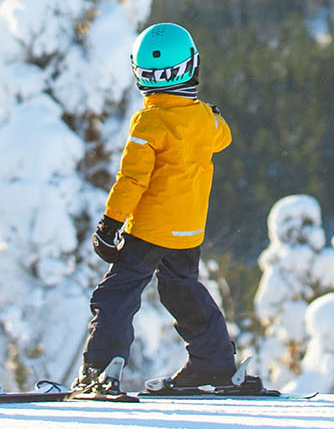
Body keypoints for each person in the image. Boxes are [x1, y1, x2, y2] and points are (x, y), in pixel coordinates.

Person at [75, 23, 241, 397]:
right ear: (192, 66)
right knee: (182, 290)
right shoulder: (204, 119)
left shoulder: (148, 123)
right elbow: (224, 136)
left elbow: (131, 180)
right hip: (188, 232)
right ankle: (213, 362)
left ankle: (101, 369)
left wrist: (109, 224)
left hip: (148, 231)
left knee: (117, 293)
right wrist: (207, 112)